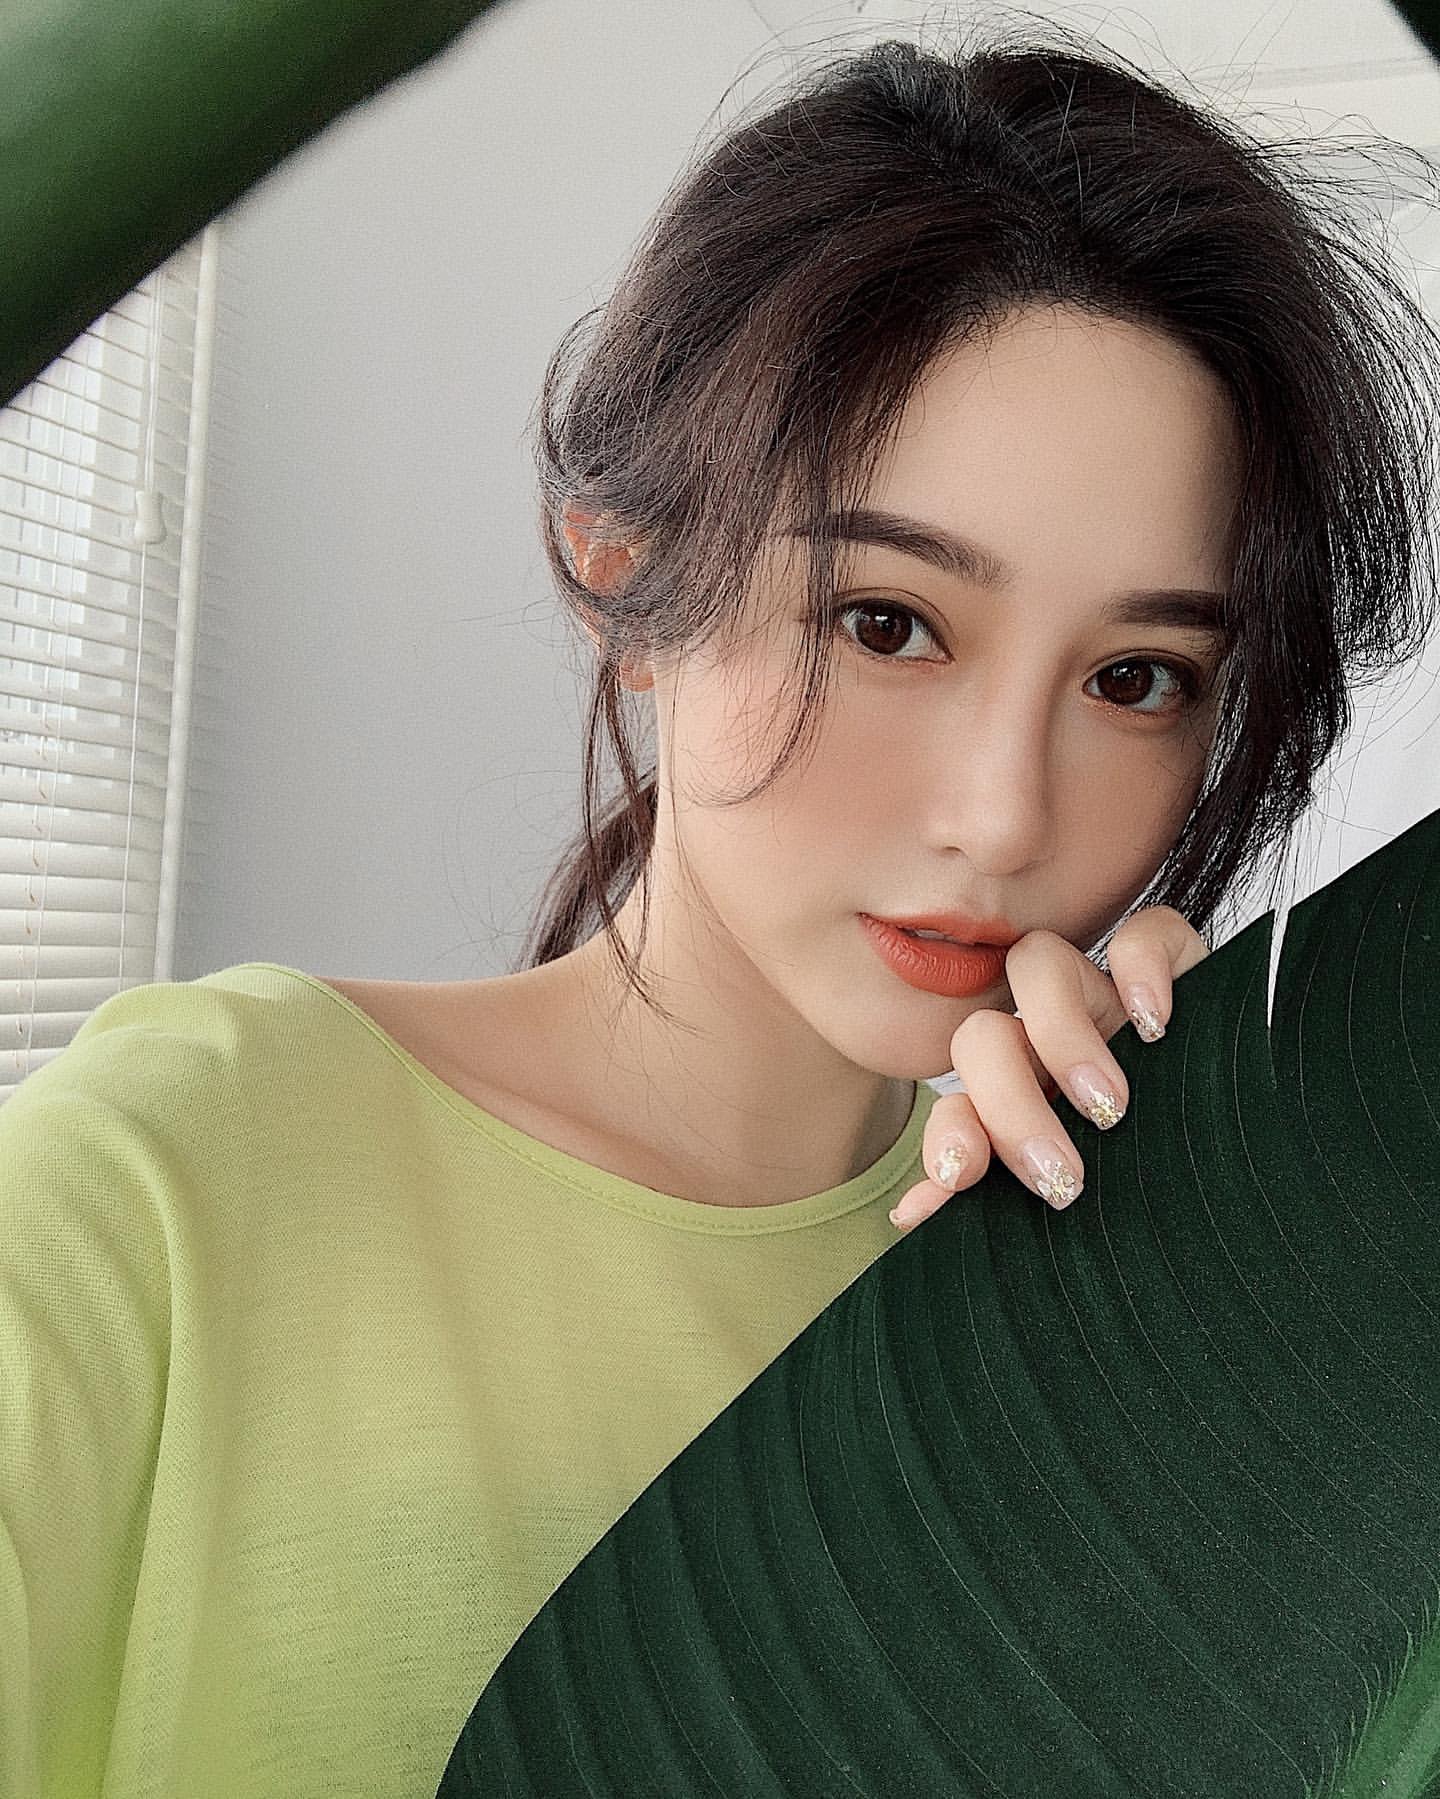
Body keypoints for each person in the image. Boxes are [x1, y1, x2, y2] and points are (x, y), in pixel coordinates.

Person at [3, 23, 1437, 1799]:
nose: (1006, 817)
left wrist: (1213, 1248)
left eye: (1136, 679)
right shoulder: (173, 1179)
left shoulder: (1106, 1294)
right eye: (887, 623)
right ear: (625, 576)